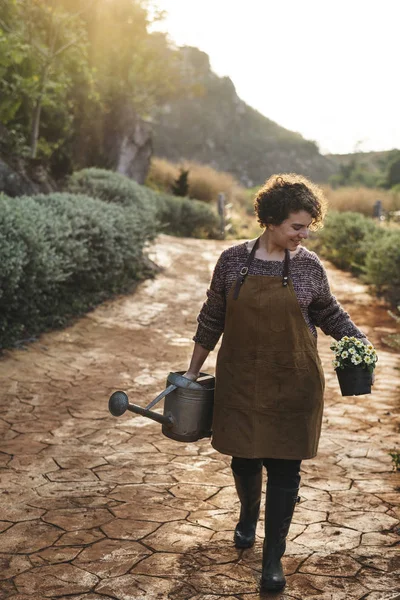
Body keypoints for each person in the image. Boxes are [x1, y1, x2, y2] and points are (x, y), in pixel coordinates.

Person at [183, 173, 372, 593]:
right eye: (296, 227)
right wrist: (191, 373)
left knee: (286, 471)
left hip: (294, 383)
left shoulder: (307, 265)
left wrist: (360, 342)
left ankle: (273, 559)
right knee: (245, 461)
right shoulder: (232, 261)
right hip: (241, 382)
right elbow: (212, 317)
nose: (304, 235)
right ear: (270, 220)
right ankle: (249, 514)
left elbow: (329, 312)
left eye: (308, 226)